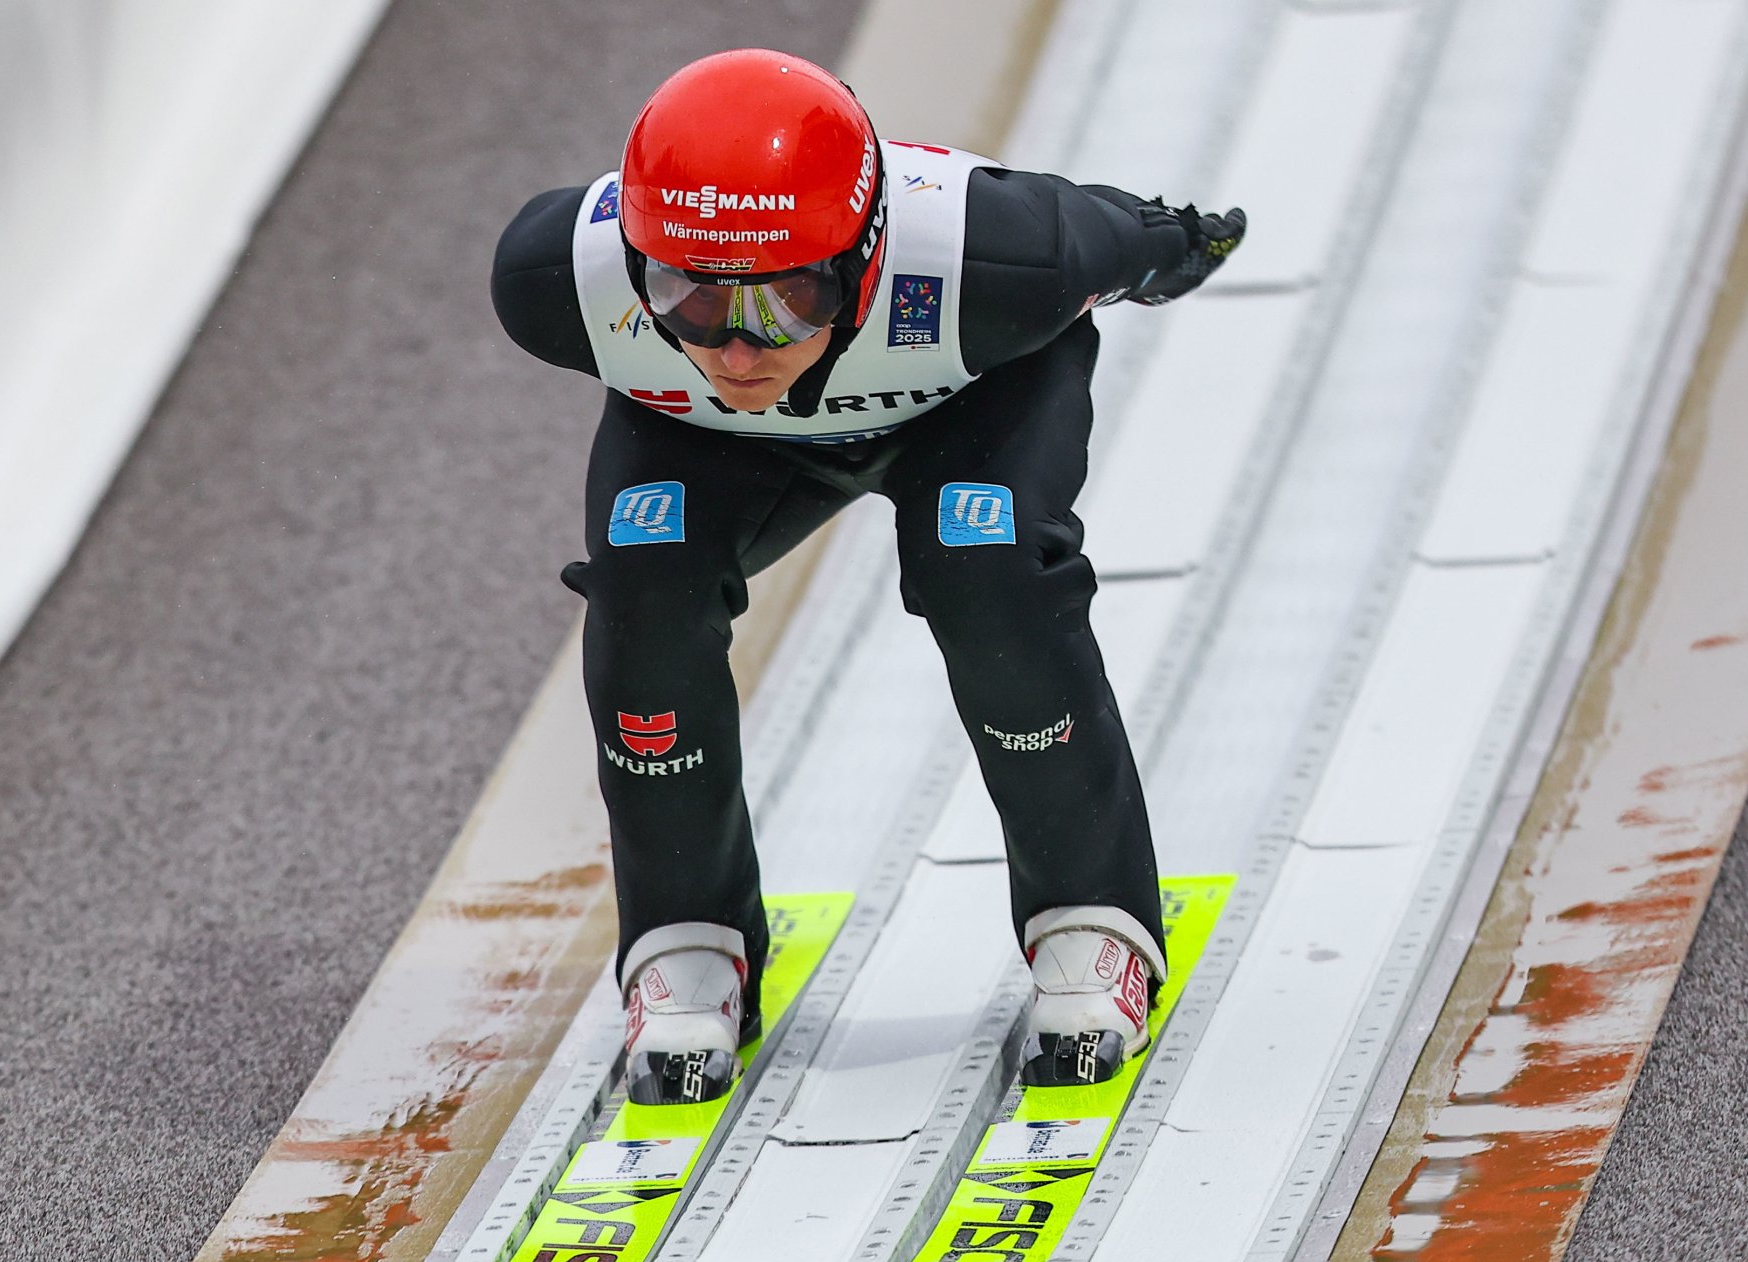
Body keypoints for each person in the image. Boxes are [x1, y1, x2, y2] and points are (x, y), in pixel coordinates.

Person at [490, 49, 1244, 1105]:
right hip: (712, 441)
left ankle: (1092, 917)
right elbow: (727, 338)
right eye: (688, 298)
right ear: (634, 262)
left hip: (969, 402)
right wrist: (745, 323)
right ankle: (681, 933)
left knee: (985, 576)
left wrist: (1185, 243)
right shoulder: (553, 282)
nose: (739, 350)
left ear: (867, 258)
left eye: (784, 299)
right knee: (640, 598)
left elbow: (1135, 234)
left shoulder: (1004, 260)